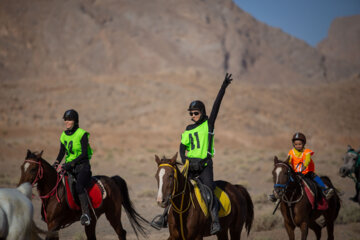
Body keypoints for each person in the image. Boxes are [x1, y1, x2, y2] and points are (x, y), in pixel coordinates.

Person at [151, 73, 233, 235]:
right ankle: (164, 217)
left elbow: (216, 106)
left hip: (205, 166)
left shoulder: (209, 125)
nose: (193, 116)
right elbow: (182, 147)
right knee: (176, 189)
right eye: (191, 114)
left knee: (208, 191)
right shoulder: (188, 129)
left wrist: (223, 87)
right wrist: (185, 159)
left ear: (202, 112)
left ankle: (215, 221)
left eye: (195, 113)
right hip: (190, 165)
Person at [52, 109, 93, 226]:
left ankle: (86, 214)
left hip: (83, 167)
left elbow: (84, 154)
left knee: (79, 187)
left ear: (75, 121)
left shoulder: (82, 134)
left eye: (69, 119)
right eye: (65, 119)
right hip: (69, 168)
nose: (66, 122)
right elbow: (61, 152)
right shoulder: (63, 135)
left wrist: (71, 163)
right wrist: (55, 163)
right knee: (63, 189)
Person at [269, 132, 334, 202]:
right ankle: (276, 193)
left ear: (303, 144)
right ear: (293, 144)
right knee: (286, 181)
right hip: (296, 173)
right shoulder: (291, 152)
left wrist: (305, 166)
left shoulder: (307, 152)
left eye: (300, 144)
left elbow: (307, 160)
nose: (298, 146)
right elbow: (289, 160)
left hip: (307, 172)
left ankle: (325, 190)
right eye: (296, 144)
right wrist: (283, 164)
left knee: (315, 177)